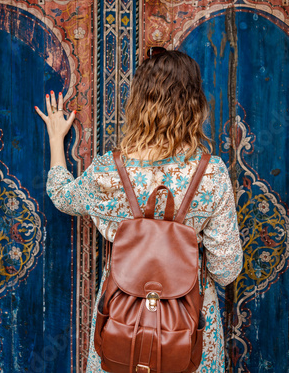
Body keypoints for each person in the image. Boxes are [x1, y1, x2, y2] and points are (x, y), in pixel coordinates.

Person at [35, 49, 243, 373]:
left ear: (138, 103)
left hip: (122, 318)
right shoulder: (212, 174)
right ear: (195, 105)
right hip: (189, 328)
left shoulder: (108, 171)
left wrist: (55, 138)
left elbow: (62, 196)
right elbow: (227, 271)